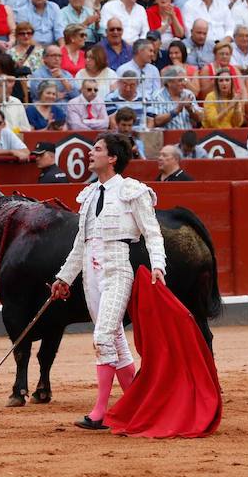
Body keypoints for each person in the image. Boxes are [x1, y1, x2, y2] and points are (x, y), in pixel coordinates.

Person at [49, 132, 166, 430]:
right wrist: (64, 277)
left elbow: (152, 232)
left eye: (97, 149)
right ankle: (137, 408)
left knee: (103, 337)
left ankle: (100, 412)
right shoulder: (89, 195)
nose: (90, 153)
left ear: (112, 158)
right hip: (91, 273)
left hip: (117, 269)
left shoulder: (131, 191)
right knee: (114, 340)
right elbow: (81, 244)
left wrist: (158, 266)